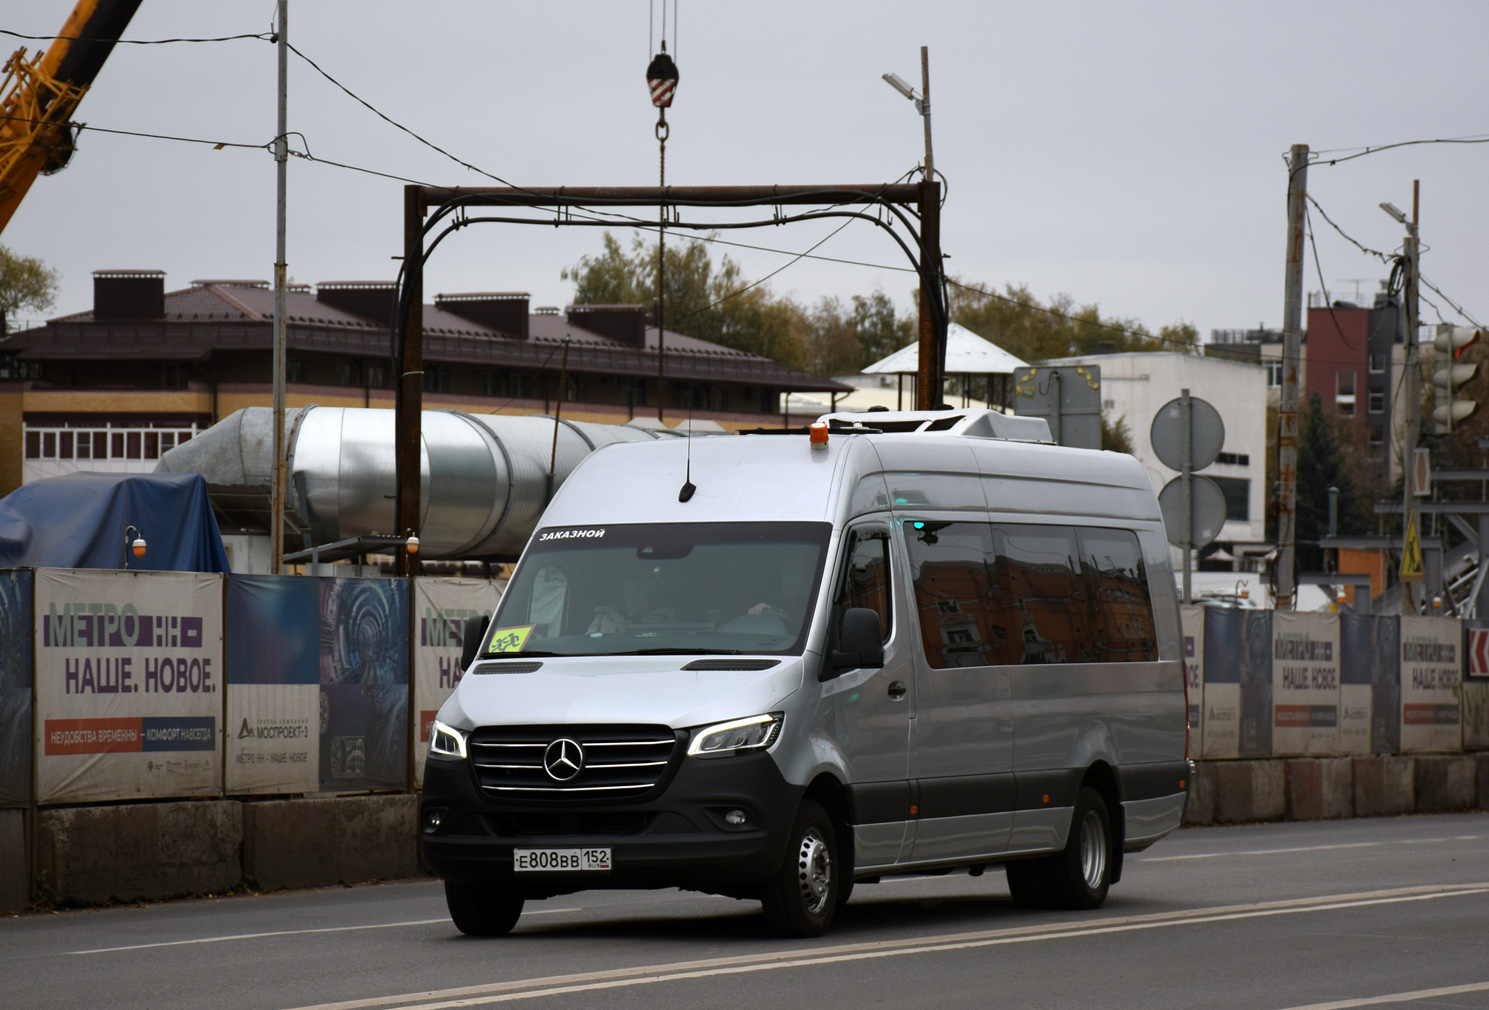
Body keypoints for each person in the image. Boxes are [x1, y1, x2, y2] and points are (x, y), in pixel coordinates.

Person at [587, 574, 676, 634]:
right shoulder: (603, 617)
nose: (633, 598)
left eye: (640, 593)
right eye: (629, 593)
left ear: (650, 595)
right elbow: (590, 644)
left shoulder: (666, 618)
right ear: (623, 596)